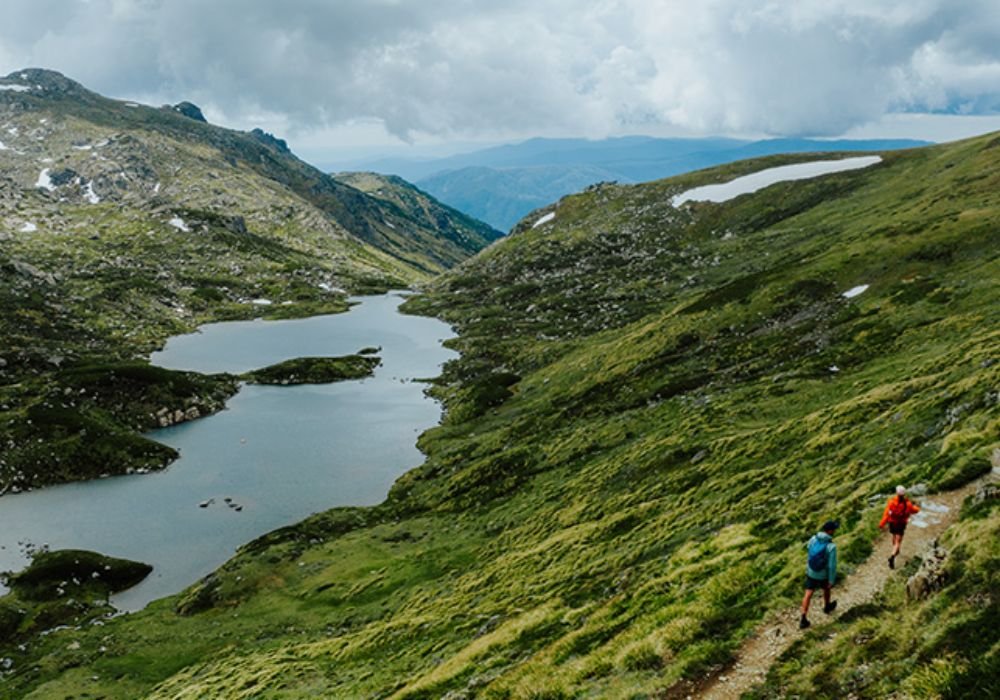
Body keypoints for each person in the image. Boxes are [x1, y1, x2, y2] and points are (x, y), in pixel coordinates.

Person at [800, 519, 839, 629]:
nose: (835, 531)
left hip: (811, 571)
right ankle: (827, 606)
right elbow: (832, 566)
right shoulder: (831, 546)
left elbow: (809, 550)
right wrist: (831, 580)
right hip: (823, 574)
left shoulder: (813, 538)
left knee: (808, 593)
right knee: (826, 589)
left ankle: (803, 617)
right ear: (830, 531)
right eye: (834, 529)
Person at [879, 485, 920, 569]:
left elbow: (886, 514)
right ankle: (893, 556)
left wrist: (882, 524)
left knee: (894, 536)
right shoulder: (907, 504)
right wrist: (917, 507)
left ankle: (896, 550)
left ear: (896, 493)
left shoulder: (891, 502)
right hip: (901, 523)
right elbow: (914, 510)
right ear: (904, 494)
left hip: (892, 522)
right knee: (898, 541)